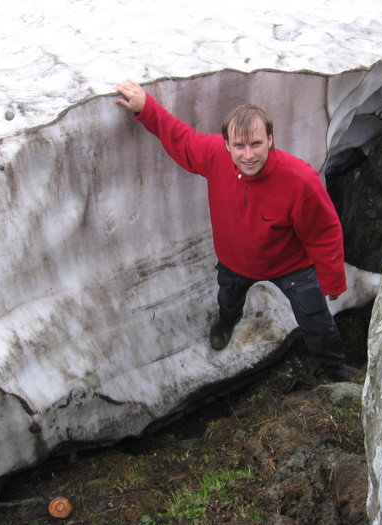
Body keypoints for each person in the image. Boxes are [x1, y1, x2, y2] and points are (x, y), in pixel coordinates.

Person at [115, 79, 362, 382]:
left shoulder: (300, 180)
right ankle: (227, 322)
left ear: (270, 139)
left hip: (291, 266)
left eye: (256, 143)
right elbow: (181, 137)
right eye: (239, 146)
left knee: (317, 321)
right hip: (235, 263)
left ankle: (332, 367)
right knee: (228, 301)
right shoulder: (214, 156)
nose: (248, 155)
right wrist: (147, 108)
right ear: (226, 144)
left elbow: (324, 232)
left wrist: (332, 278)